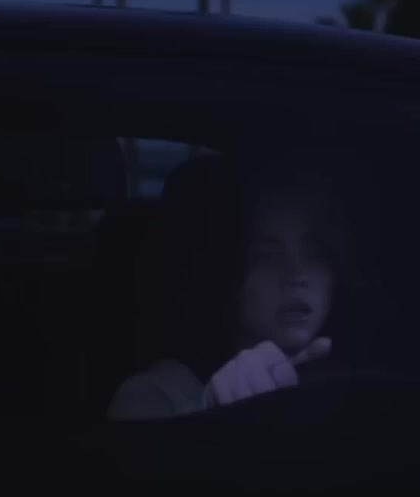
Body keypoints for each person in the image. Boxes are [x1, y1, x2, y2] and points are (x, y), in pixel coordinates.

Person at [108, 156, 358, 420]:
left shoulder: (355, 389)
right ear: (230, 269)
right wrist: (211, 415)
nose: (297, 274)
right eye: (267, 256)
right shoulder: (155, 393)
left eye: (314, 253)